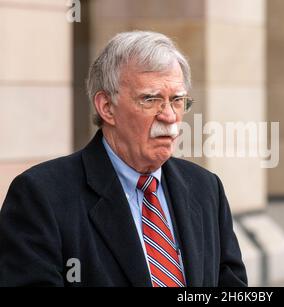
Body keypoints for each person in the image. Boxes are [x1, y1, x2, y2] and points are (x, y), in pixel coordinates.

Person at [0, 31, 247, 287]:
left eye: (177, 100)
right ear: (106, 107)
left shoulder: (205, 188)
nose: (169, 116)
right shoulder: (41, 195)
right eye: (150, 99)